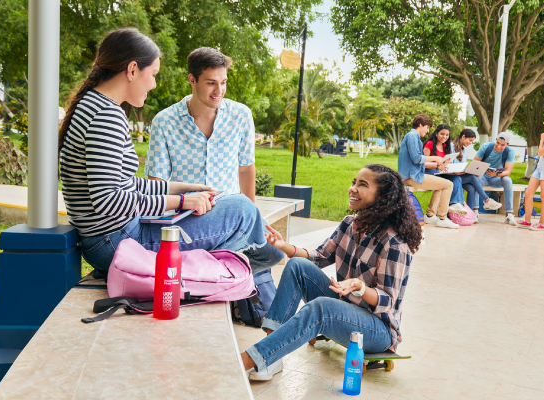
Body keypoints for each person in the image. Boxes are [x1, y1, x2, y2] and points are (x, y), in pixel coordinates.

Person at [58, 28, 283, 275]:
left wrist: (184, 189)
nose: (154, 84)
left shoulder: (94, 105)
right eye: (153, 74)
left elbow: (124, 185)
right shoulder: (106, 116)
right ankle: (265, 258)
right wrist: (182, 202)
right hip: (119, 242)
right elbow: (109, 200)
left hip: (109, 240)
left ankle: (247, 259)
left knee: (238, 210)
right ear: (132, 70)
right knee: (243, 212)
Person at [240, 164, 420, 380]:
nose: (352, 188)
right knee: (297, 265)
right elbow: (320, 256)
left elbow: (388, 300)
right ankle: (272, 356)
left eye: (362, 185)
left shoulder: (394, 243)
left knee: (321, 308)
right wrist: (284, 246)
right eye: (354, 182)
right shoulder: (349, 224)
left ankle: (247, 360)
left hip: (377, 328)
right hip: (345, 305)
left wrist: (359, 287)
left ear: (382, 196)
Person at [145, 47, 256, 202]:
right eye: (211, 83)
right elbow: (157, 181)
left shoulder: (241, 115)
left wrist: (252, 216)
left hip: (230, 217)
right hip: (183, 217)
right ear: (192, 80)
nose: (219, 91)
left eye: (223, 82)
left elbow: (245, 170)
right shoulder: (164, 122)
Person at [398, 114, 459, 229]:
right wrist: (436, 158)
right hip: (411, 177)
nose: (427, 131)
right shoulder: (412, 136)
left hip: (412, 175)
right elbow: (417, 158)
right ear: (420, 125)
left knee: (441, 184)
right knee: (448, 184)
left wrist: (438, 166)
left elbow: (417, 161)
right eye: (427, 127)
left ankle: (430, 216)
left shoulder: (414, 137)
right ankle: (442, 218)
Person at [451, 129, 501, 219]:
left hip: (460, 176)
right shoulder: (451, 146)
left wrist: (473, 171)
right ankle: (487, 200)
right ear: (463, 137)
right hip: (452, 176)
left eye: (472, 141)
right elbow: (448, 165)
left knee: (471, 188)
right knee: (472, 178)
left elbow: (464, 167)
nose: (470, 143)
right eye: (470, 140)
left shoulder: (464, 151)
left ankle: (469, 215)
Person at [473, 132, 517, 225]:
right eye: (498, 143)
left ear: (507, 145)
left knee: (508, 180)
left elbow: (507, 172)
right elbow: (474, 165)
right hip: (483, 177)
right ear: (496, 140)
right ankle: (475, 212)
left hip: (496, 178)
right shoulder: (486, 147)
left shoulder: (510, 151)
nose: (498, 146)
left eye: (502, 145)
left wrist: (495, 175)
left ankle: (509, 215)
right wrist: (480, 171)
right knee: (475, 179)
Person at [422, 124, 467, 215]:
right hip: (428, 174)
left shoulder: (446, 146)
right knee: (446, 184)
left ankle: (456, 203)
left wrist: (448, 168)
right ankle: (444, 211)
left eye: (447, 135)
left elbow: (442, 165)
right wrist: (438, 166)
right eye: (442, 134)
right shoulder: (430, 144)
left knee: (457, 178)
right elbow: (423, 163)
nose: (444, 137)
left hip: (438, 173)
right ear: (436, 134)